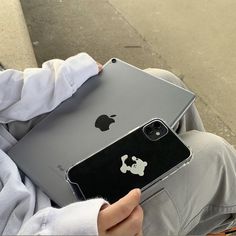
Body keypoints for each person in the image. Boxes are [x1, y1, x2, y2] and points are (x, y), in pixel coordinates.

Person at [0, 52, 236, 235]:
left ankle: (209, 213)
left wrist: (68, 75)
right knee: (215, 155)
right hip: (45, 222)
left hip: (17, 150)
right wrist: (80, 229)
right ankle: (216, 210)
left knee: (164, 85)